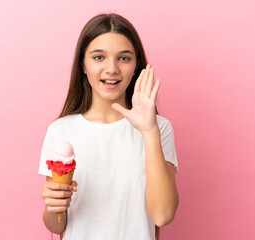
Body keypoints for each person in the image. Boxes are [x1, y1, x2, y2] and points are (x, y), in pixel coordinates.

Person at [39, 13, 179, 240]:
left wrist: (149, 131)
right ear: (83, 65)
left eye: (124, 58)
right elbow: (57, 226)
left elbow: (162, 216)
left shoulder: (159, 128)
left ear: (136, 66)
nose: (112, 69)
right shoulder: (60, 131)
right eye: (98, 57)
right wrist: (54, 207)